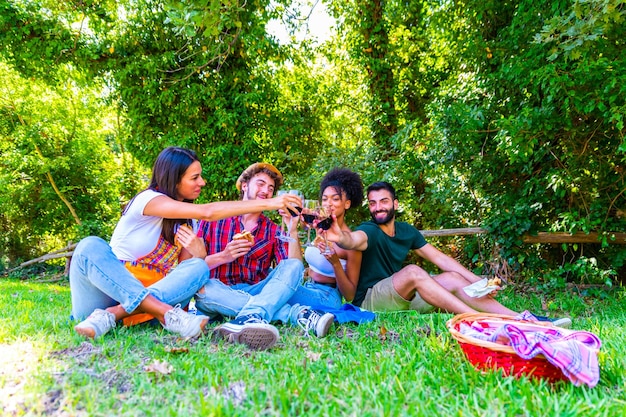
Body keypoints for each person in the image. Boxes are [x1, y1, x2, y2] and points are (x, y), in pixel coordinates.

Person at [70, 147, 303, 340]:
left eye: (200, 175)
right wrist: (272, 202)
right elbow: (209, 212)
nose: (202, 182)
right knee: (89, 245)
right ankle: (162, 312)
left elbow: (182, 274)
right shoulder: (147, 200)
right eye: (194, 177)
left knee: (199, 268)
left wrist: (201, 256)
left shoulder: (188, 221)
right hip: (103, 297)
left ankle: (114, 315)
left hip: (156, 297)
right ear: (174, 178)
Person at [321, 181, 572, 327]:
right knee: (413, 272)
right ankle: (477, 320)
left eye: (384, 201)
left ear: (395, 204)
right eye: (373, 203)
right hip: (371, 300)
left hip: (400, 297)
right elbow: (352, 239)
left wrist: (478, 281)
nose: (378, 208)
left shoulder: (406, 231)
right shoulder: (369, 230)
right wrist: (337, 235)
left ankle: (522, 320)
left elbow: (440, 258)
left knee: (451, 276)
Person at [189, 163, 335, 351]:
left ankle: (251, 315)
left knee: (294, 265)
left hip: (258, 290)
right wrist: (224, 256)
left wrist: (291, 227)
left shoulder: (272, 230)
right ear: (244, 185)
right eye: (260, 184)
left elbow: (291, 270)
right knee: (205, 289)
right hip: (219, 290)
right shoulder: (214, 219)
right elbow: (193, 268)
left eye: (271, 188)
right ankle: (295, 314)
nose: (266, 191)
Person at [288, 168, 363, 309]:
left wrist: (336, 264)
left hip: (327, 296)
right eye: (324, 199)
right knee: (274, 278)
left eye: (335, 199)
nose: (328, 203)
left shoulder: (351, 243)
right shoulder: (319, 228)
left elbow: (350, 295)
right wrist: (298, 225)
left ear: (347, 203)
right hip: (307, 287)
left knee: (281, 287)